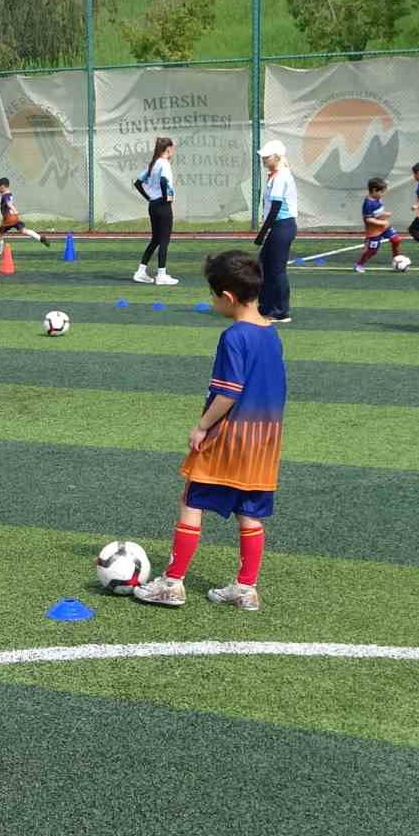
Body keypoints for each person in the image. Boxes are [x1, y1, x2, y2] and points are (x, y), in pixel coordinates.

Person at [133, 250, 284, 613]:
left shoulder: (235, 337)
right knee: (249, 512)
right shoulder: (272, 334)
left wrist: (201, 427)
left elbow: (228, 392)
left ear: (227, 297)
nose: (213, 301)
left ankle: (172, 583)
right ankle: (246, 589)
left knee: (191, 501)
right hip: (264, 443)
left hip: (229, 438)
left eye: (213, 295)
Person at [253, 140, 297, 323]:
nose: (263, 158)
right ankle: (266, 307)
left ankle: (281, 311)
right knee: (264, 265)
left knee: (276, 269)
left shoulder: (281, 176)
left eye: (267, 156)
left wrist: (261, 234)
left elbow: (276, 208)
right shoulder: (275, 175)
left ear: (277, 157)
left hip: (282, 226)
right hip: (278, 226)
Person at [132, 137, 179, 286]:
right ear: (168, 149)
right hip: (163, 205)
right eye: (173, 148)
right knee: (164, 240)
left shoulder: (153, 164)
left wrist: (149, 197)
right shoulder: (164, 163)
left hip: (153, 204)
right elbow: (164, 181)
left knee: (156, 239)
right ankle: (161, 274)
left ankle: (141, 272)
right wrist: (167, 198)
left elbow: (138, 182)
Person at [354, 178, 403, 273]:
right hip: (374, 231)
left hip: (384, 228)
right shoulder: (368, 204)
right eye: (381, 192)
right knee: (372, 251)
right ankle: (359, 265)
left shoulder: (377, 197)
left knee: (396, 240)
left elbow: (377, 213)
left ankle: (397, 259)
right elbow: (369, 219)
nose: (383, 194)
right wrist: (382, 222)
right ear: (374, 190)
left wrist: (384, 215)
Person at [0, 178, 49, 250]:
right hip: (14, 217)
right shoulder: (10, 194)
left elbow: (9, 204)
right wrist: (14, 212)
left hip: (8, 219)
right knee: (23, 230)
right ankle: (40, 238)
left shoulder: (5, 196)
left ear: (3, 187)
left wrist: (14, 210)